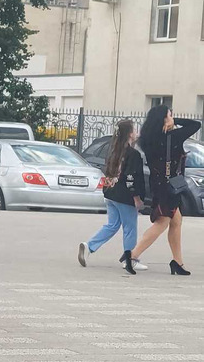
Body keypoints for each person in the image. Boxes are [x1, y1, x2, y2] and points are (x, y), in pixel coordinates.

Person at [129, 106, 201, 275]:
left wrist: (169, 121)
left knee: (176, 221)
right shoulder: (173, 137)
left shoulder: (148, 139)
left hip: (159, 185)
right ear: (163, 119)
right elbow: (195, 125)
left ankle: (177, 262)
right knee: (162, 222)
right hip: (170, 187)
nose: (172, 118)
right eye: (170, 115)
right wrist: (176, 122)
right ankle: (132, 256)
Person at [78, 120, 146, 275]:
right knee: (130, 228)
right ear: (130, 134)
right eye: (135, 130)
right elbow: (131, 177)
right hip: (124, 196)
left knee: (112, 225)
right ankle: (130, 260)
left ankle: (89, 246)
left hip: (110, 193)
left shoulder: (113, 150)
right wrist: (136, 197)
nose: (136, 132)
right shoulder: (133, 154)